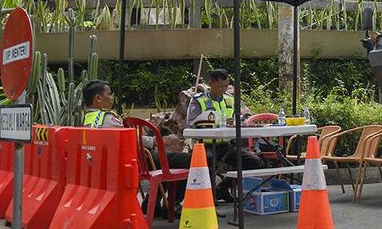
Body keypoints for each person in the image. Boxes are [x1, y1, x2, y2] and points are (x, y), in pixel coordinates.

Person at [82, 80, 191, 214]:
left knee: (167, 161)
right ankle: (173, 205)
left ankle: (152, 203)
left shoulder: (87, 119)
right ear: (98, 98)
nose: (112, 98)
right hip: (131, 163)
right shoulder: (106, 118)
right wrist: (155, 141)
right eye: (109, 94)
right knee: (187, 160)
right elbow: (129, 137)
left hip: (107, 164)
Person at [186, 69, 261, 200]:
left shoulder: (230, 100)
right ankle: (207, 197)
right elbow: (191, 124)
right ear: (211, 83)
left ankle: (223, 187)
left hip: (226, 144)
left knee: (253, 161)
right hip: (206, 145)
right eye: (220, 86)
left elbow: (238, 118)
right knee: (207, 163)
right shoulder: (198, 101)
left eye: (226, 85)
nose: (223, 89)